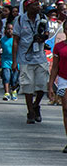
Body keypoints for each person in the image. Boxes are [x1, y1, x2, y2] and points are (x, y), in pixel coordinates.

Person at [12, 0, 50, 124]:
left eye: (38, 5)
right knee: (27, 86)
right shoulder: (19, 20)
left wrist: (42, 38)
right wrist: (14, 61)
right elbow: (16, 41)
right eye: (35, 5)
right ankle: (30, 112)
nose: (38, 7)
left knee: (42, 85)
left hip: (40, 57)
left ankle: (36, 104)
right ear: (27, 7)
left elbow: (47, 33)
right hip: (25, 58)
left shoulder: (43, 18)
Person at [48, 20, 67, 153]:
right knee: (65, 109)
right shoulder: (59, 47)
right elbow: (54, 67)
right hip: (63, 80)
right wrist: (50, 85)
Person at [1, 22, 18, 101]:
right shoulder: (2, 40)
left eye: (11, 29)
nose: (9, 31)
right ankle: (7, 93)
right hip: (5, 61)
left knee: (14, 79)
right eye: (8, 29)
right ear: (5, 30)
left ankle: (14, 91)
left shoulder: (16, 40)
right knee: (6, 77)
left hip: (15, 61)